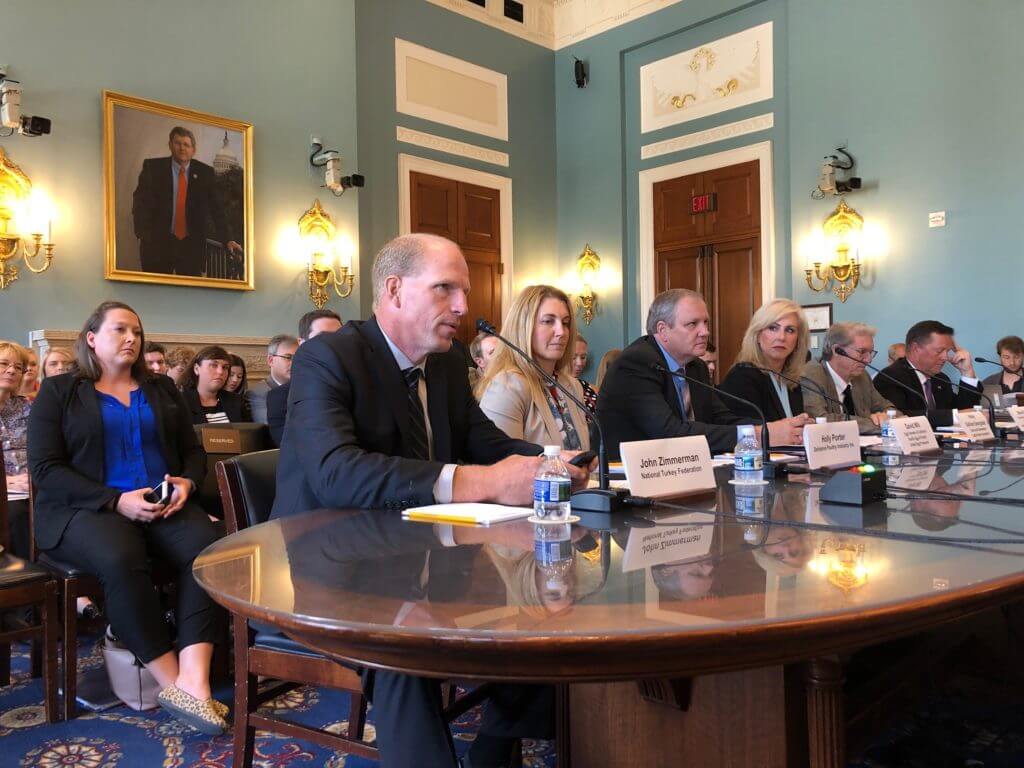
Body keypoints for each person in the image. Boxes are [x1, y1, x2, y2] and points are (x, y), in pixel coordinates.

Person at [270, 233, 590, 768]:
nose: (462, 307)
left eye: (463, 292)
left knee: (541, 608)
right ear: (394, 290)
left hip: (426, 555)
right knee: (403, 647)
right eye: (445, 289)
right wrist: (482, 482)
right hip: (332, 564)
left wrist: (552, 462)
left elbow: (487, 444)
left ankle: (495, 745)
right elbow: (335, 473)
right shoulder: (329, 356)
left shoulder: (444, 363)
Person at [27, 301, 226, 734]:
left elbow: (193, 452)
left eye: (136, 331)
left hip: (161, 503)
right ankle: (173, 683)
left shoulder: (162, 388)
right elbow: (45, 469)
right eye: (119, 329)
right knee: (121, 556)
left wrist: (188, 483)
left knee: (211, 550)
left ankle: (196, 679)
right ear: (91, 338)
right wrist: (115, 500)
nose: (131, 338)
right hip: (84, 509)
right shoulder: (59, 391)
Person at [597, 289, 806, 457]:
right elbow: (670, 434)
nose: (705, 332)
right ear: (662, 330)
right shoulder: (636, 363)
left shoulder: (696, 367)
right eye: (692, 324)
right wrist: (759, 435)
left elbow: (721, 419)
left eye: (705, 322)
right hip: (629, 480)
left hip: (683, 472)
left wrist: (776, 429)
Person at [477, 285, 591, 451]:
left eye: (565, 323)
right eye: (548, 321)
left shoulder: (573, 386)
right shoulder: (506, 386)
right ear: (523, 327)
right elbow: (502, 461)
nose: (561, 331)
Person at [132, 126, 242, 277]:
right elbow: (140, 204)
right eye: (178, 143)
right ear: (170, 145)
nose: (182, 148)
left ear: (193, 150)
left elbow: (217, 210)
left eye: (186, 144)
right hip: (158, 246)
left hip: (190, 249)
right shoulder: (153, 168)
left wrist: (228, 240)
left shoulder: (205, 173)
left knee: (190, 290)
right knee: (156, 289)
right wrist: (143, 234)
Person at [719, 299, 814, 438]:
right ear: (757, 335)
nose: (781, 337)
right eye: (773, 328)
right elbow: (744, 432)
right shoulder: (741, 376)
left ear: (798, 340)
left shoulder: (791, 379)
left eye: (790, 330)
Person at [873, 320, 981, 427]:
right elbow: (899, 416)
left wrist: (967, 372)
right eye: (939, 351)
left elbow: (965, 412)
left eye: (947, 351)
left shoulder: (940, 378)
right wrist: (953, 416)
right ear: (915, 348)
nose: (945, 357)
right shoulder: (891, 377)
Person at [801, 322, 896, 433]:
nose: (868, 360)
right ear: (837, 350)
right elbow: (820, 420)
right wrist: (878, 424)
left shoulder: (862, 377)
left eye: (870, 353)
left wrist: (885, 416)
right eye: (862, 352)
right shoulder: (810, 375)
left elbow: (889, 408)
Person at [265, 309, 343, 446]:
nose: (333, 345)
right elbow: (291, 446)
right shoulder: (280, 397)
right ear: (302, 343)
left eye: (339, 338)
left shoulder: (360, 384)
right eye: (322, 338)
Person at [0, 341, 32, 558]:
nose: (12, 370)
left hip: (32, 486)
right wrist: (6, 482)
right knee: (17, 513)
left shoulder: (28, 407)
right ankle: (27, 572)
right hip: (6, 492)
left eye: (18, 367)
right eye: (4, 364)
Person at [180, 345, 251, 424]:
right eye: (214, 365)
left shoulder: (236, 401)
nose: (220, 372)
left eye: (225, 367)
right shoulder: (180, 402)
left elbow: (248, 430)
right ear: (196, 369)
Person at [246, 334, 297, 423]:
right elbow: (270, 425)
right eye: (288, 357)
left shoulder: (304, 387)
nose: (294, 363)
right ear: (271, 360)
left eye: (297, 358)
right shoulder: (259, 392)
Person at [570, 333, 597, 411]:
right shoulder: (552, 389)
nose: (579, 363)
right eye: (573, 357)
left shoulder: (593, 389)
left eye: (583, 357)